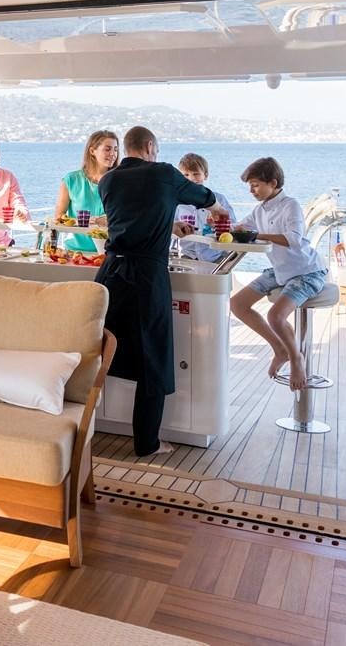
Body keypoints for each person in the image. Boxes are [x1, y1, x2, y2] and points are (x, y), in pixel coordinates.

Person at [95, 126, 227, 458]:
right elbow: (206, 198)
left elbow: (131, 218)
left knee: (97, 350)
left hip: (110, 273)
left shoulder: (108, 180)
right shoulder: (165, 174)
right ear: (151, 146)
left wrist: (167, 223)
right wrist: (223, 216)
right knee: (153, 357)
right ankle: (147, 442)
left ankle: (81, 427)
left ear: (127, 148)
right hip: (146, 276)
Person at [229, 157, 328, 392]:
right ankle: (280, 349)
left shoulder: (290, 205)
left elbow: (293, 239)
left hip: (306, 271)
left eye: (255, 185)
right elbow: (242, 228)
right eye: (250, 186)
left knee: (275, 316)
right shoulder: (259, 209)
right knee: (237, 304)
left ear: (272, 183)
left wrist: (258, 235)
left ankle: (296, 358)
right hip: (281, 270)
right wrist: (226, 226)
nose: (251, 190)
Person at [53, 129, 119, 252]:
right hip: (75, 251)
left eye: (115, 149)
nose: (113, 154)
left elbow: (127, 216)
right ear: (92, 151)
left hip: (110, 252)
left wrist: (108, 220)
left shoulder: (120, 181)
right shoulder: (71, 180)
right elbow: (58, 217)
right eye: (107, 149)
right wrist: (82, 221)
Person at [173, 153, 237, 262]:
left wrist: (217, 224)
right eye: (186, 175)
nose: (191, 179)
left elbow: (233, 225)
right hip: (187, 256)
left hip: (215, 257)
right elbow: (170, 226)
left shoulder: (219, 199)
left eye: (196, 174)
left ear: (205, 175)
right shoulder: (177, 202)